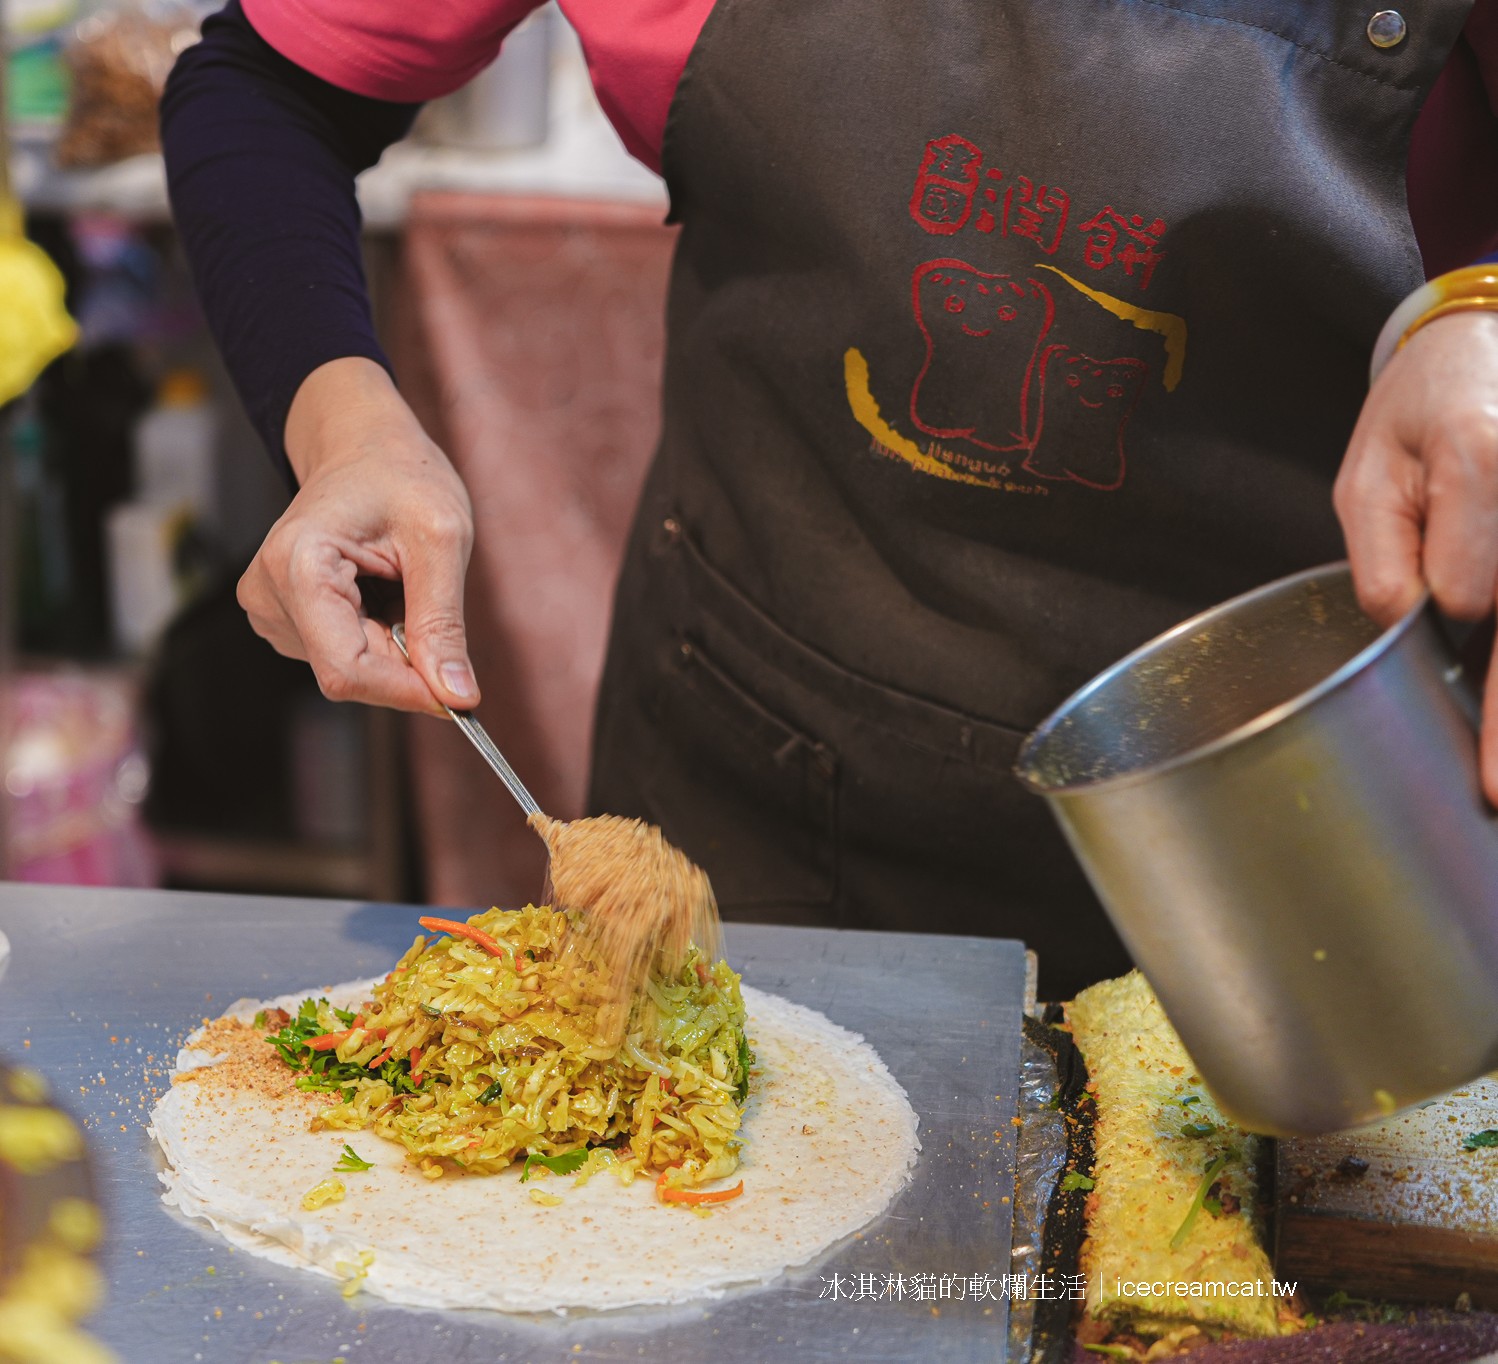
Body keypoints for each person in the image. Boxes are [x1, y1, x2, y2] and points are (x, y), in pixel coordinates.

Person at [162, 0, 1498, 998]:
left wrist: (1478, 310)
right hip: (770, 784)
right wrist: (343, 426)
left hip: (1330, 818)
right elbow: (269, 85)